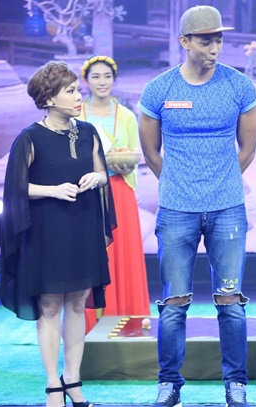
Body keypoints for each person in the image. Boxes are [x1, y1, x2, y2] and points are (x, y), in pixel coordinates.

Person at [137, 5, 256, 407]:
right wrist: (180, 184)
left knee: (231, 301)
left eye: (219, 39)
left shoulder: (239, 85)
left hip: (228, 208)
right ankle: (169, 386)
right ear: (185, 42)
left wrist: (219, 182)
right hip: (176, 209)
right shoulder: (159, 89)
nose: (215, 47)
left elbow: (248, 148)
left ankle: (236, 386)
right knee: (174, 304)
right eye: (206, 40)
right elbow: (151, 152)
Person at [0, 61, 115, 407]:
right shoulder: (30, 138)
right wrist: (51, 190)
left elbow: (102, 171)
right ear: (49, 99)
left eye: (77, 90)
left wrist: (97, 179)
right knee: (50, 306)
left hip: (82, 226)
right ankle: (53, 384)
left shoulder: (88, 132)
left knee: (78, 304)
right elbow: (15, 187)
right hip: (47, 231)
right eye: (71, 91)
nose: (79, 96)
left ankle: (73, 380)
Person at [79, 55, 151, 332]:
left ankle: (128, 320)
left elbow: (134, 153)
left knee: (123, 253)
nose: (102, 82)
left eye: (107, 76)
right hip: (87, 192)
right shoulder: (76, 114)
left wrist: (125, 164)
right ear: (86, 81)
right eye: (96, 76)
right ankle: (90, 324)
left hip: (120, 191)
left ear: (114, 80)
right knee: (92, 253)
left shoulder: (127, 116)